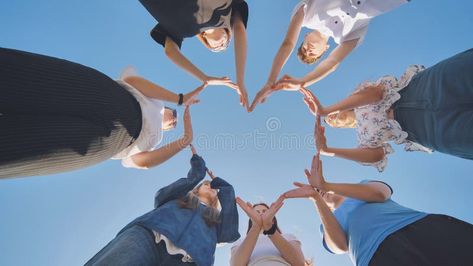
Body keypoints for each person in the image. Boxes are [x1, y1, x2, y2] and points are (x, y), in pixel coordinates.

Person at [0, 48, 204, 179]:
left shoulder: (154, 139)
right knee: (24, 79)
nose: (173, 121)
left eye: (173, 125)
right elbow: (133, 81)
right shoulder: (156, 102)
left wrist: (184, 141)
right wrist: (179, 98)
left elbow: (143, 162)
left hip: (110, 142)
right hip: (109, 96)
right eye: (174, 115)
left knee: (20, 149)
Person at [283, 153, 473, 266]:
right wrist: (316, 198)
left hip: (417, 229)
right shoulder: (327, 223)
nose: (320, 191)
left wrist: (326, 184)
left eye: (319, 189)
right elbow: (339, 246)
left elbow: (379, 194)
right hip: (376, 257)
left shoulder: (361, 186)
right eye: (316, 190)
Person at [303, 48, 473, 171]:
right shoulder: (364, 138)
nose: (331, 118)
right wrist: (327, 151)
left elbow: (376, 93)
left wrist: (325, 110)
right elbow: (376, 156)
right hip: (430, 130)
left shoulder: (357, 97)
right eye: (330, 122)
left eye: (330, 115)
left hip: (426, 88)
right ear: (340, 127)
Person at [86, 145, 240, 266]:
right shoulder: (180, 197)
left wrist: (223, 186)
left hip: (189, 261)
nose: (210, 186)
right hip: (147, 238)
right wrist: (198, 173)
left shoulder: (215, 219)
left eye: (213, 187)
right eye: (206, 184)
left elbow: (230, 233)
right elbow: (161, 195)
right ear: (197, 187)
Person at [250, 0, 409, 111]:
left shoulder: (307, 15)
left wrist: (271, 81)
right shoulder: (346, 37)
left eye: (304, 48)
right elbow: (332, 63)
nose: (308, 50)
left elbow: (288, 43)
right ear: (324, 50)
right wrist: (303, 82)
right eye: (312, 54)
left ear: (305, 36)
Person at [139, 0, 250, 109]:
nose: (222, 46)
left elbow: (171, 52)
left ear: (206, 41)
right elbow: (240, 30)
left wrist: (204, 78)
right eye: (227, 43)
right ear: (228, 31)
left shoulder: (179, 32)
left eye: (216, 48)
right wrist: (240, 80)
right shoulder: (227, 10)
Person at [230, 197, 307, 266]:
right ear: (251, 220)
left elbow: (300, 263)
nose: (261, 213)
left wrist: (269, 228)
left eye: (264, 211)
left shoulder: (288, 237)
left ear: (273, 218)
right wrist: (256, 226)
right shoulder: (240, 242)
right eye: (257, 212)